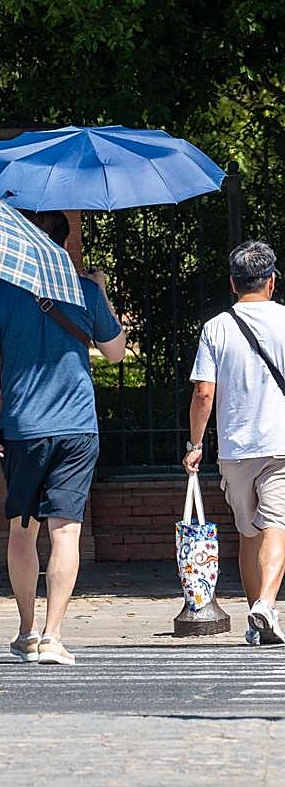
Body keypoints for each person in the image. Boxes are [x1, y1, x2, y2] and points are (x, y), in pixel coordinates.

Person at [0, 210, 125, 667]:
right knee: (66, 531)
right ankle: (54, 636)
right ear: (65, 244)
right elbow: (116, 353)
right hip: (77, 427)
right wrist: (101, 290)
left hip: (23, 429)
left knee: (22, 530)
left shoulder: (0, 293)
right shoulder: (84, 291)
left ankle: (26, 631)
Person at [183, 240, 285, 646]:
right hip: (280, 444)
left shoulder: (216, 327)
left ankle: (256, 619)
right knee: (277, 525)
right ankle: (266, 604)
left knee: (248, 532)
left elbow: (203, 393)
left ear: (232, 283)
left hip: (235, 449)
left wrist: (195, 444)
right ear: (271, 281)